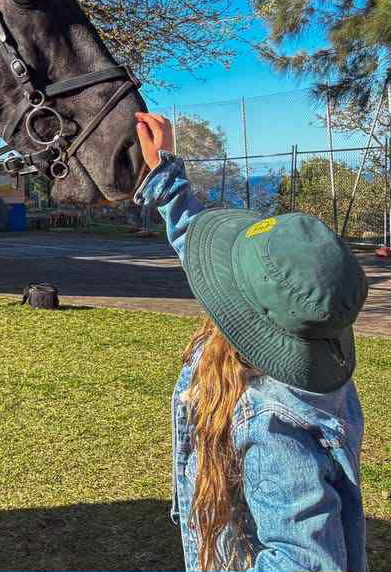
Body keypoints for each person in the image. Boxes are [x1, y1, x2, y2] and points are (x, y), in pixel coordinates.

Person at [134, 112, 367, 571]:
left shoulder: (268, 424)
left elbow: (307, 562)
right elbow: (191, 237)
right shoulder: (309, 328)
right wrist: (163, 170)